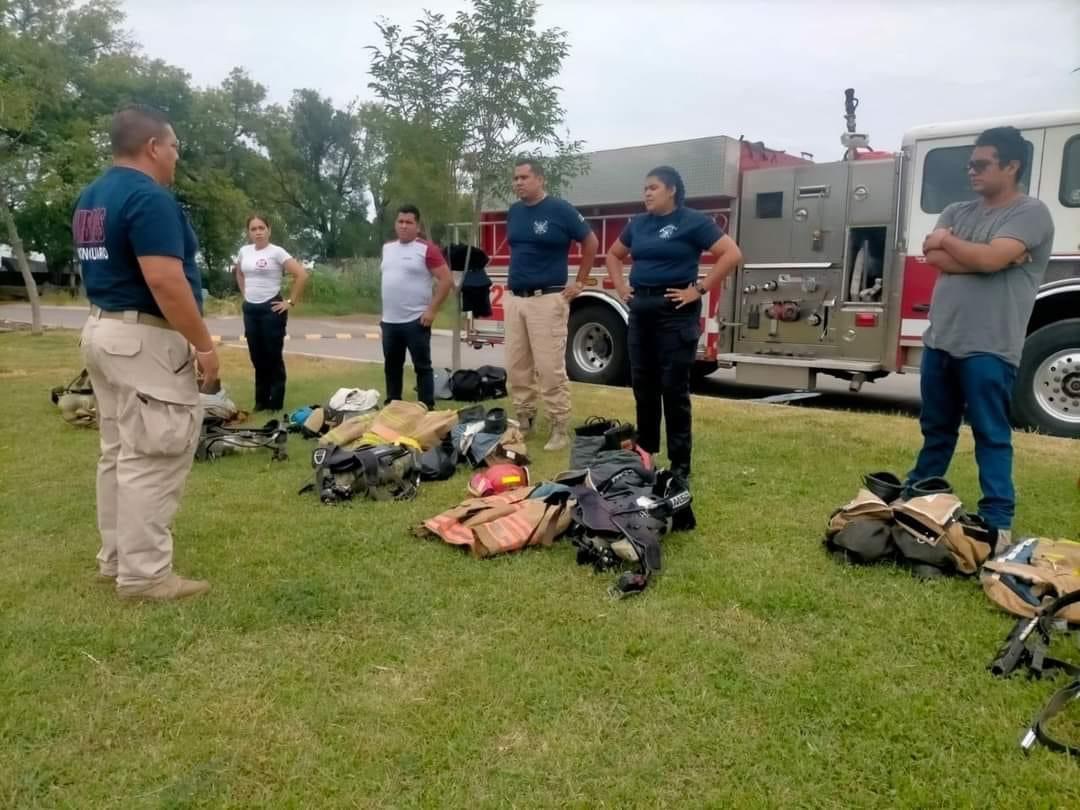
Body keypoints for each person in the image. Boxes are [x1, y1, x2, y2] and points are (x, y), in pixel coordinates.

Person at [72, 104, 218, 601]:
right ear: (153, 147)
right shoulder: (148, 198)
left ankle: (115, 560)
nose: (177, 157)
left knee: (117, 452)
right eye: (174, 146)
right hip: (144, 340)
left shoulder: (93, 197)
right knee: (153, 451)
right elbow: (163, 279)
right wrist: (203, 343)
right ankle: (145, 575)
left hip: (102, 330)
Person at [907, 126, 1055, 541]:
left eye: (981, 164)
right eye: (969, 163)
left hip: (990, 347)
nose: (971, 171)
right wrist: (990, 256)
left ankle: (997, 521)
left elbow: (972, 256)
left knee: (991, 434)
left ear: (1011, 166)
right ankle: (916, 498)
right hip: (941, 341)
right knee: (936, 429)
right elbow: (935, 256)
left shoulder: (1031, 213)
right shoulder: (957, 210)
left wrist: (958, 246)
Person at [605, 166, 742, 481]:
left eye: (653, 187)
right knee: (644, 385)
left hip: (676, 311)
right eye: (645, 189)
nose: (647, 193)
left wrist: (699, 290)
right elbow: (614, 255)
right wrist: (621, 286)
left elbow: (731, 254)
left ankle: (681, 464)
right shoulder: (638, 225)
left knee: (674, 389)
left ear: (672, 191)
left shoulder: (693, 222)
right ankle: (646, 453)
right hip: (641, 310)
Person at [505, 158, 599, 451]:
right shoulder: (515, 212)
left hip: (547, 299)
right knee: (517, 366)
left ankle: (559, 427)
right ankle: (524, 419)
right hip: (515, 298)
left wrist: (580, 281)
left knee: (549, 368)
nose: (518, 182)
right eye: (516, 178)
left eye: (524, 177)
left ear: (540, 179)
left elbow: (591, 242)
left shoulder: (560, 210)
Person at [233, 215, 308, 412]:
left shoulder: (277, 252)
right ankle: (260, 401)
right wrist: (245, 294)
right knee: (257, 356)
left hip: (271, 309)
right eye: (253, 229)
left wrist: (290, 302)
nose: (257, 232)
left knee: (272, 356)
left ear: (268, 230)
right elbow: (239, 272)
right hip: (251, 309)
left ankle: (275, 403)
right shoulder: (244, 251)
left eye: (261, 228)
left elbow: (301, 274)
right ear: (248, 232)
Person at [379, 204, 452, 409]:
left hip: (416, 320)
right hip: (390, 322)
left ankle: (425, 407)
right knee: (392, 366)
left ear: (417, 226)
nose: (404, 226)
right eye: (400, 222)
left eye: (408, 222)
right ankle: (393, 405)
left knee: (422, 367)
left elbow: (446, 280)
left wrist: (432, 310)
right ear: (395, 224)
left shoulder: (427, 249)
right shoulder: (387, 248)